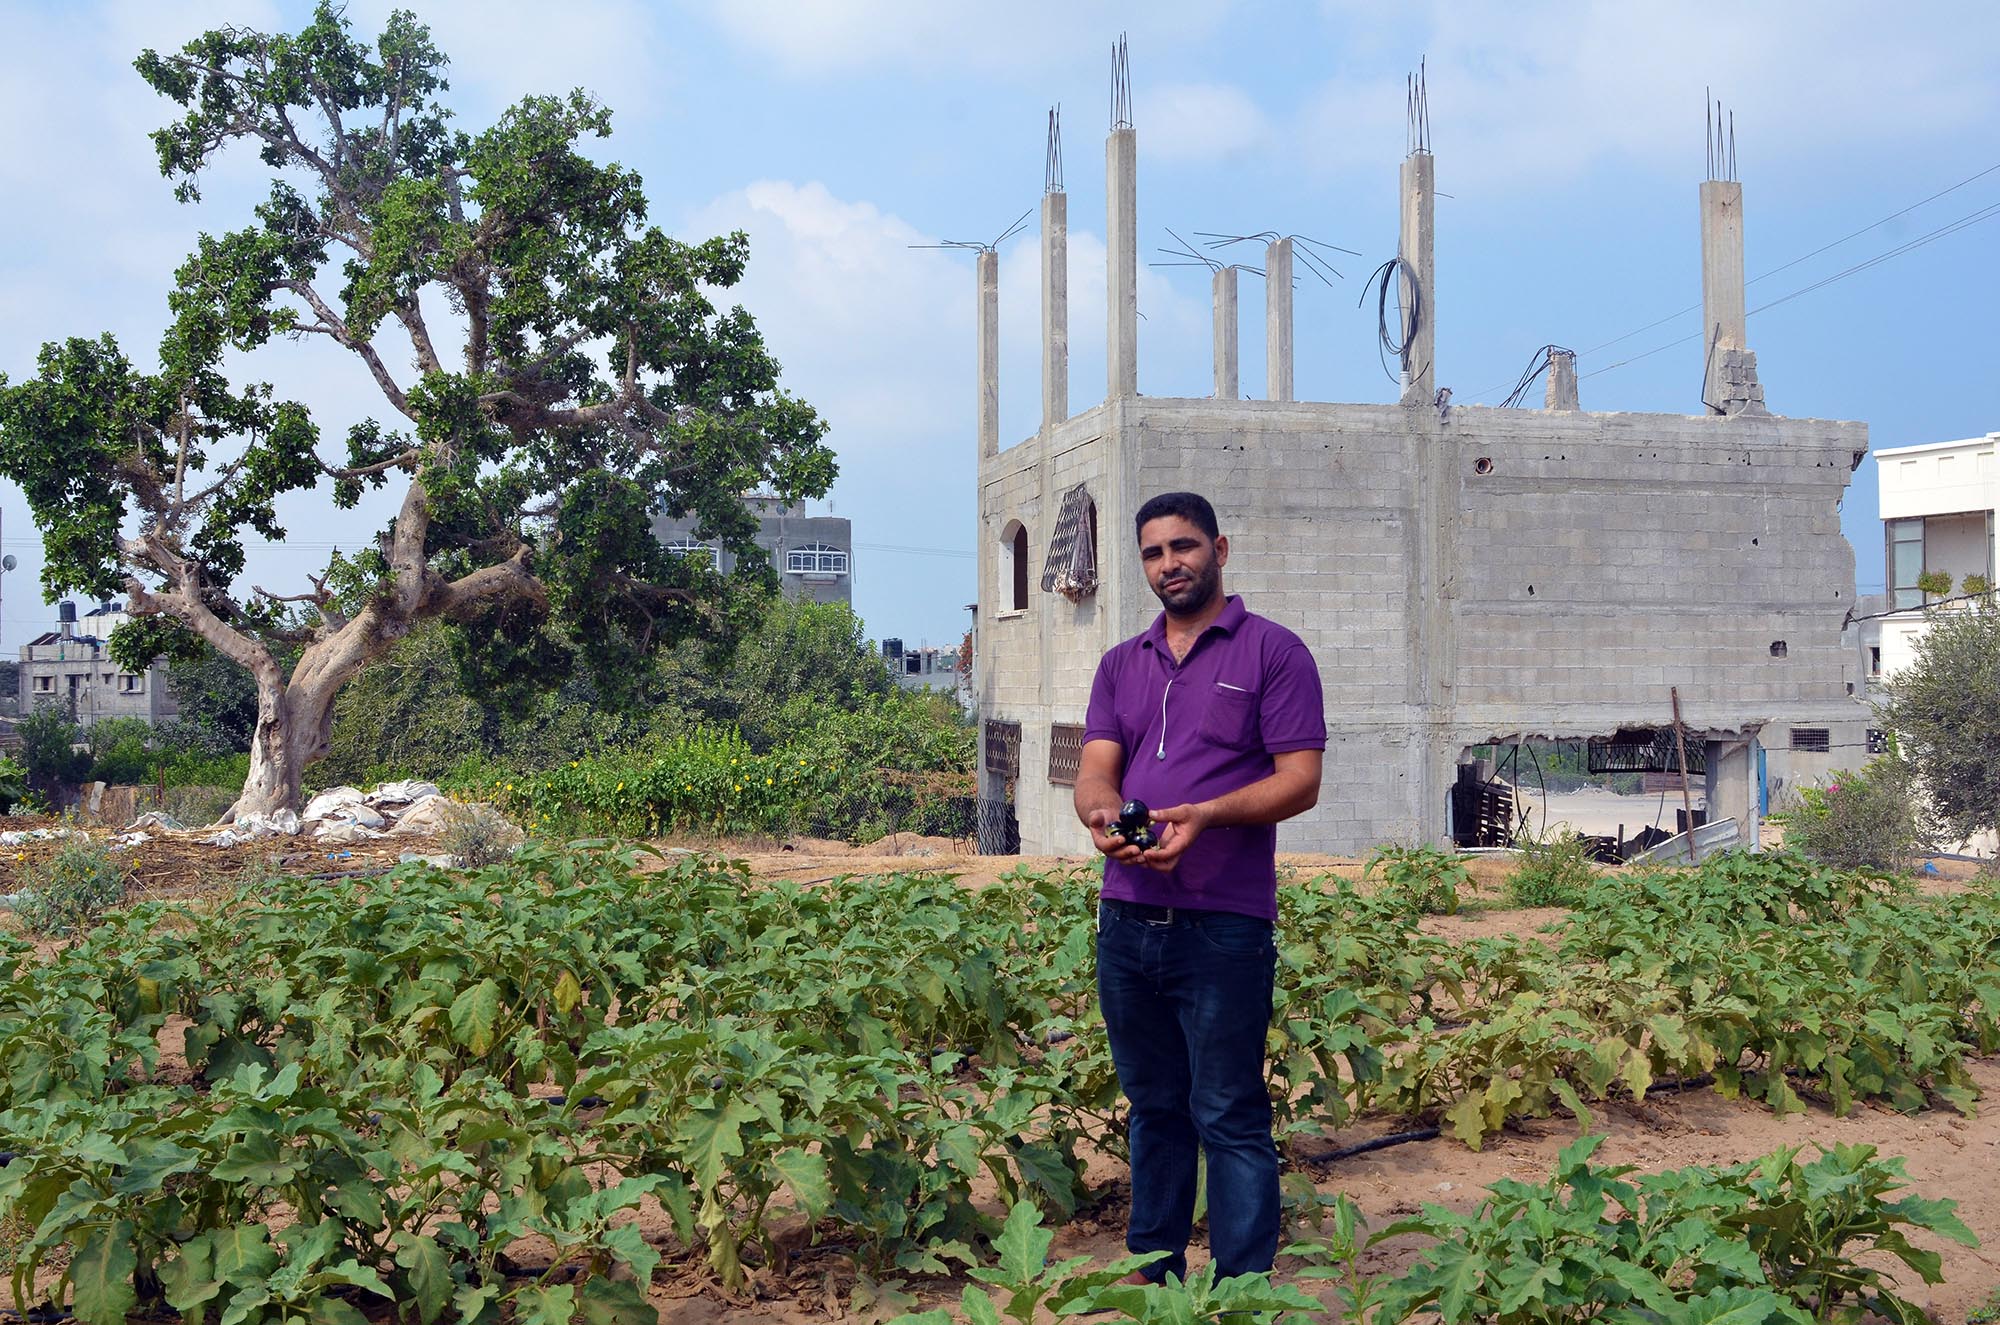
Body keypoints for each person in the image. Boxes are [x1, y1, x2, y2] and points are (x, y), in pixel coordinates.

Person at [1074, 490, 1325, 1285]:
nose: (1168, 564)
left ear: (1220, 549)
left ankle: (1240, 1290)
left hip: (1224, 923)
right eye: (1152, 552)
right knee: (1154, 1108)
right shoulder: (1122, 663)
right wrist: (1103, 817)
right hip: (1127, 917)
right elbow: (1094, 770)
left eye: (1182, 547)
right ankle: (1157, 1279)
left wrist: (1207, 815)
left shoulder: (1273, 653)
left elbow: (1301, 780)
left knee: (1229, 1113)